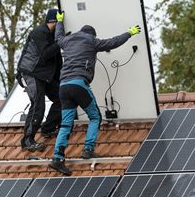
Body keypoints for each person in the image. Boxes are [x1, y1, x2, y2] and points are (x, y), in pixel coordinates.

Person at [49, 11, 141, 175]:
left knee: (65, 124)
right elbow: (113, 42)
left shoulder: (67, 40)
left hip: (63, 86)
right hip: (79, 84)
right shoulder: (92, 41)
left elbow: (58, 36)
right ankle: (88, 149)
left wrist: (60, 21)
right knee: (95, 116)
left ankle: (57, 158)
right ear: (92, 35)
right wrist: (129, 33)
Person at [16, 8, 63, 152]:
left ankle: (47, 129)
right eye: (59, 24)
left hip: (44, 75)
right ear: (54, 21)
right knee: (38, 105)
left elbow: (57, 62)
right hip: (31, 73)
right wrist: (61, 42)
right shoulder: (39, 32)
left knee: (62, 97)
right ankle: (27, 140)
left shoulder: (53, 37)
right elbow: (45, 54)